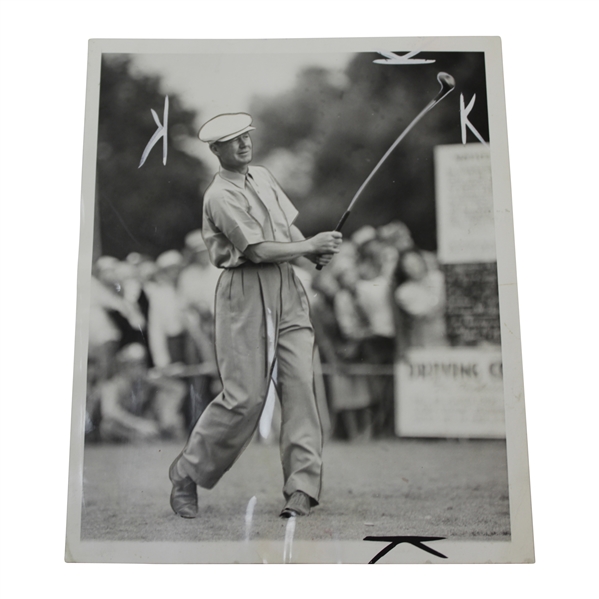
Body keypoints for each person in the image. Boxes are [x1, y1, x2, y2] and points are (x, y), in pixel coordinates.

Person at [168, 113, 342, 519]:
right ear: (216, 150)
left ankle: (302, 487)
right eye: (233, 140)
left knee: (300, 384)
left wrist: (312, 248)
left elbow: (288, 233)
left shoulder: (262, 176)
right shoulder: (218, 195)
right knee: (245, 399)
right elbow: (259, 250)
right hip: (243, 291)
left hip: (287, 286)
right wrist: (309, 245)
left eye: (247, 136)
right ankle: (186, 473)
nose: (244, 144)